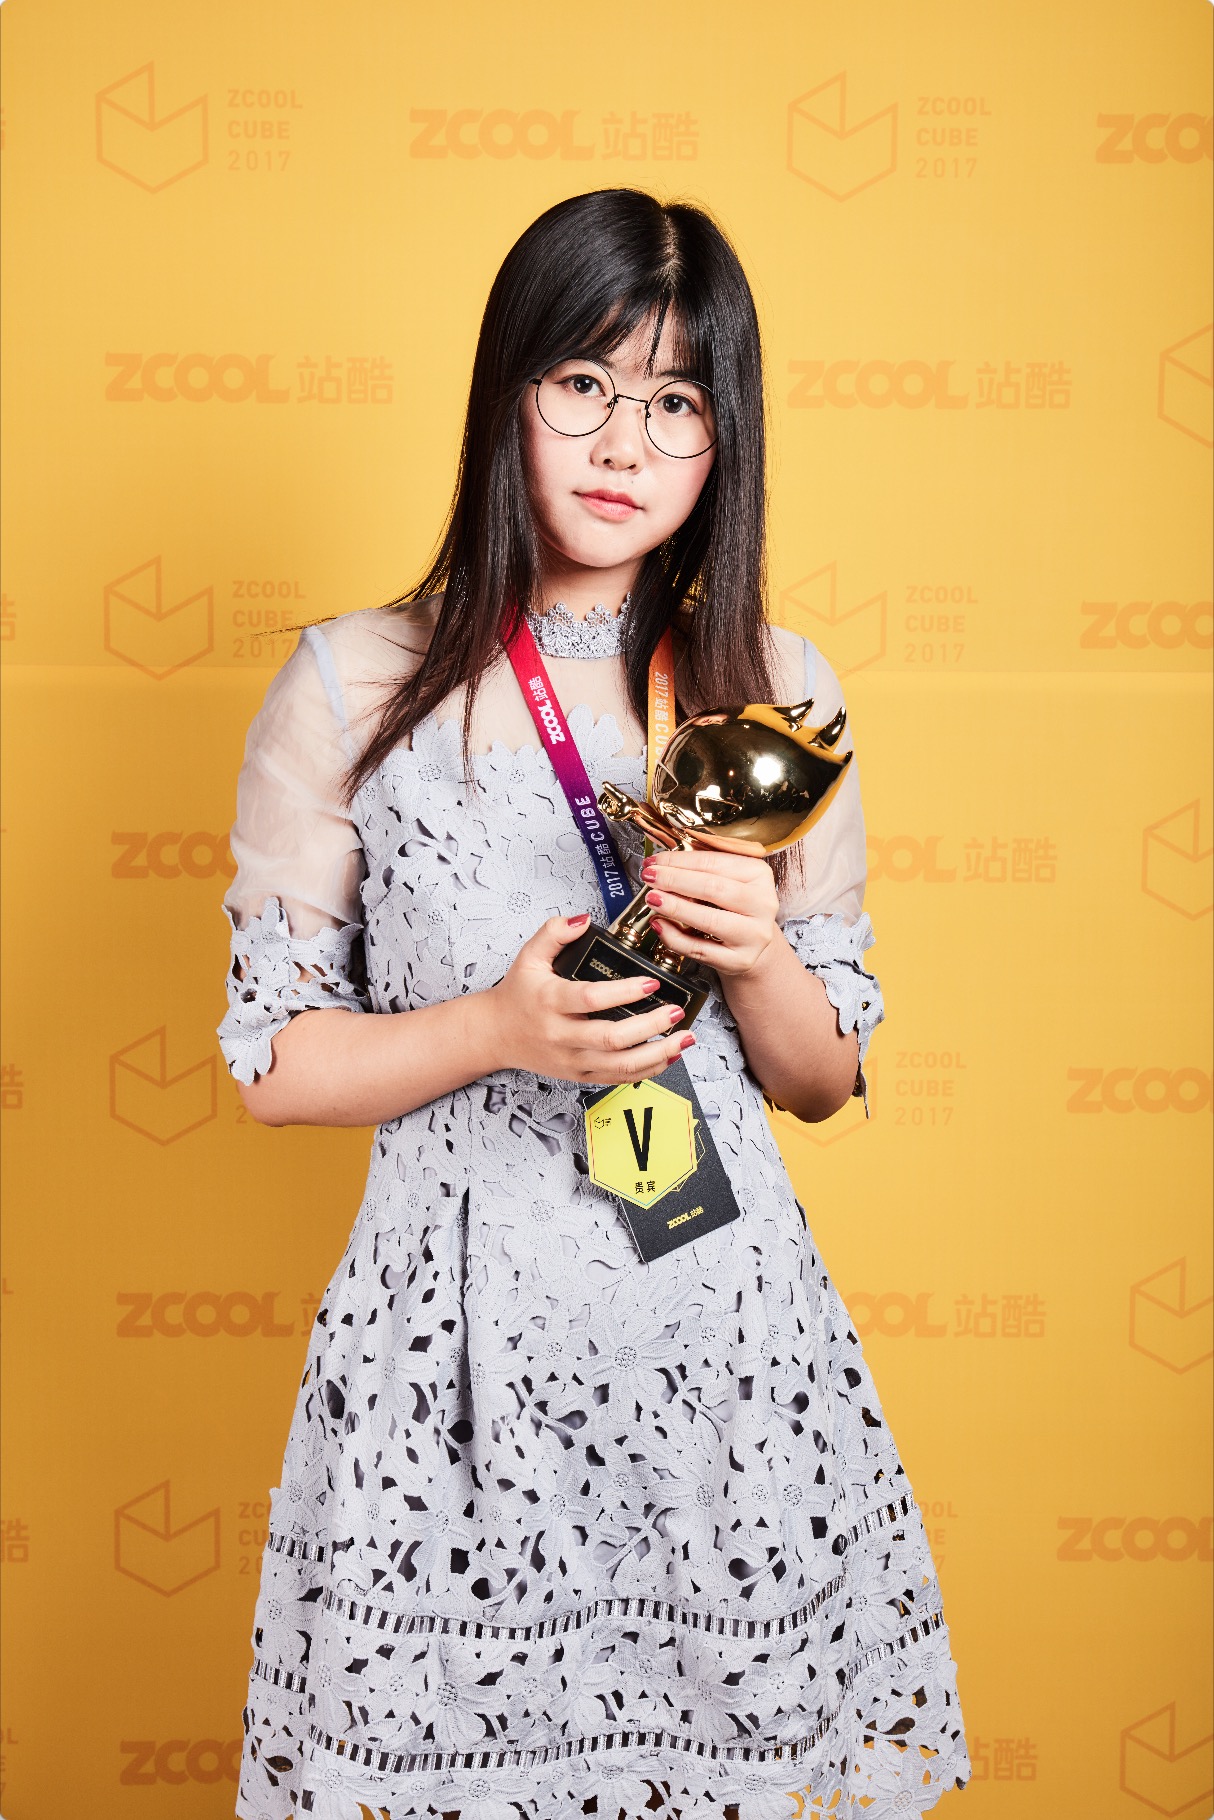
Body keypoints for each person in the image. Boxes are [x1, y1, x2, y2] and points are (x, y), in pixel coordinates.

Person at [218, 188, 969, 1820]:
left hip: (720, 1352)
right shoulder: (352, 681)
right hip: (451, 1365)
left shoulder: (774, 685)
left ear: (722, 438)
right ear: (506, 391)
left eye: (676, 401)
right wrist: (492, 1031)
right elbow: (273, 1061)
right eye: (582, 384)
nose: (624, 443)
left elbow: (821, 1077)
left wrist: (756, 951)